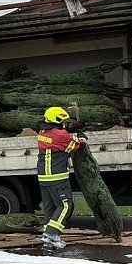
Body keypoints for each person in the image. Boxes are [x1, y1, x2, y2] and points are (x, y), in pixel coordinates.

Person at [37, 106, 86, 249]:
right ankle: (52, 234)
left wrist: (73, 127)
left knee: (50, 208)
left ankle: (49, 237)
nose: (64, 124)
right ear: (57, 120)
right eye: (63, 121)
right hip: (57, 178)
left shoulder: (42, 132)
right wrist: (81, 137)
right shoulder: (60, 136)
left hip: (44, 178)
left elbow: (60, 132)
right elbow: (74, 145)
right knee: (66, 205)